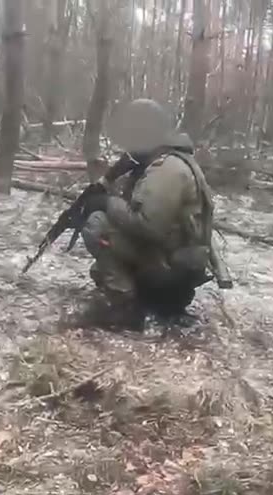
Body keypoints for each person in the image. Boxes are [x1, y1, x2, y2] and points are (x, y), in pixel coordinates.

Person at [77, 99, 223, 331]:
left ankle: (126, 310)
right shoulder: (169, 161)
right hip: (175, 264)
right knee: (99, 269)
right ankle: (146, 299)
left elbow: (149, 226)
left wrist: (107, 203)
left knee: (97, 226)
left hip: (171, 273)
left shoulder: (168, 168)